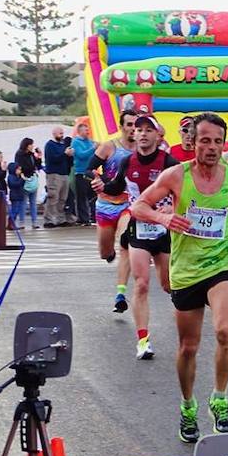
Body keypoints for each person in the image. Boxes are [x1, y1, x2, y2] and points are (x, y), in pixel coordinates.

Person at [131, 112, 228, 443]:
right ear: (192, 142)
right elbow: (138, 207)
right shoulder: (176, 176)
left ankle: (220, 399)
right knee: (189, 346)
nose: (212, 147)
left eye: (217, 141)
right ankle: (188, 405)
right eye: (205, 140)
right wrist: (163, 217)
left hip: (222, 263)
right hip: (186, 269)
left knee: (225, 330)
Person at [95, 114, 178, 361]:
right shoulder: (126, 162)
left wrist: (172, 208)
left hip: (163, 230)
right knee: (141, 283)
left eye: (147, 130)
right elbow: (114, 187)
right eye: (138, 129)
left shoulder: (169, 163)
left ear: (157, 135)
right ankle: (143, 341)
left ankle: (188, 322)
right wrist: (101, 186)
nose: (142, 133)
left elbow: (184, 193)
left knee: (168, 285)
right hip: (138, 230)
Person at [90, 109, 137, 313]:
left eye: (137, 125)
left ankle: (120, 293)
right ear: (122, 127)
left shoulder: (143, 150)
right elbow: (88, 169)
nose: (134, 129)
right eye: (129, 125)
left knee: (125, 240)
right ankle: (108, 253)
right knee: (104, 251)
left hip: (129, 203)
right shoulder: (110, 147)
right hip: (106, 205)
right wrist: (97, 181)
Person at [43, 127, 74, 227]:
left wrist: (70, 156)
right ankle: (49, 220)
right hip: (54, 174)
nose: (62, 135)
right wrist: (64, 154)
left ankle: (60, 218)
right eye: (60, 133)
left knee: (62, 198)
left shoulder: (63, 145)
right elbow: (52, 159)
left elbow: (66, 160)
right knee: (53, 197)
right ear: (54, 133)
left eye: (62, 133)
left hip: (64, 173)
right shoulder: (50, 145)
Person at [71, 123, 97, 225]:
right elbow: (81, 155)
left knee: (94, 195)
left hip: (91, 172)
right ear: (80, 131)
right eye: (86, 130)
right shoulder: (76, 142)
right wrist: (93, 148)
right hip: (80, 172)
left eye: (88, 129)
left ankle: (93, 216)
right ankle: (83, 218)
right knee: (82, 196)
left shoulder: (90, 141)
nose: (88, 132)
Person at [14, 139, 42, 229]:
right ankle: (21, 221)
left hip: (33, 179)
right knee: (23, 202)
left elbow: (38, 166)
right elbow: (22, 167)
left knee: (33, 202)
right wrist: (32, 168)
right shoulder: (19, 154)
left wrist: (39, 157)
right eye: (31, 145)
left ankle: (34, 221)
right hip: (24, 180)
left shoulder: (31, 155)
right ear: (26, 145)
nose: (32, 146)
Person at [6, 162, 26, 230]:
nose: (20, 171)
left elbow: (21, 184)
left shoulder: (18, 177)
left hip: (19, 194)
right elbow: (14, 184)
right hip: (15, 195)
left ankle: (12, 223)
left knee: (17, 210)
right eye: (18, 169)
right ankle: (10, 223)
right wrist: (22, 179)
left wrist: (22, 179)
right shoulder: (11, 176)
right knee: (14, 210)